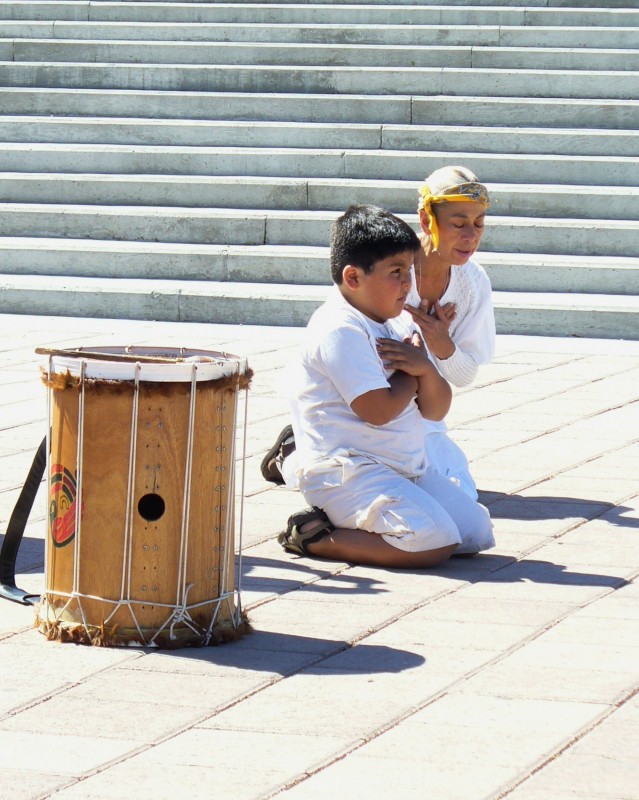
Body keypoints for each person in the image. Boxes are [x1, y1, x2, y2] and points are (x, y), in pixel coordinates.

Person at [277, 204, 494, 567]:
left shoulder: (396, 324)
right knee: (432, 541)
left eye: (409, 271)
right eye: (396, 273)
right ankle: (316, 536)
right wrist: (413, 373)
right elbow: (378, 411)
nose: (407, 285)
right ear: (353, 277)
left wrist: (425, 368)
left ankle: (373, 522)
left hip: (401, 468)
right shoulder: (339, 328)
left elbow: (437, 408)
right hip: (347, 472)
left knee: (476, 531)